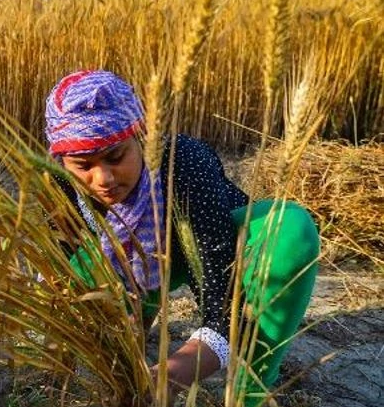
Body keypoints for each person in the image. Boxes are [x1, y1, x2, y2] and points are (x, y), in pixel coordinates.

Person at [43, 70, 320, 406]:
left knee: (292, 230)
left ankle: (254, 388)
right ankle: (137, 319)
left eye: (116, 157)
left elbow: (222, 303)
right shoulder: (58, 182)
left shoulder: (185, 163)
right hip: (129, 266)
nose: (102, 178)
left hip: (215, 252)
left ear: (143, 138)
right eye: (83, 164)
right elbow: (58, 271)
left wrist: (172, 376)